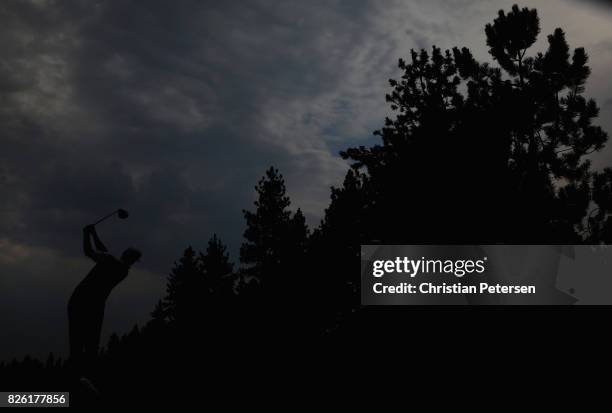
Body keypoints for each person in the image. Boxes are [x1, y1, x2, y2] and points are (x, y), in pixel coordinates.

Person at [68, 224, 142, 383]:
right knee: (91, 344)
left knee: (76, 339)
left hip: (79, 300)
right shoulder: (123, 271)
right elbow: (105, 252)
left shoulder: (110, 261)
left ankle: (75, 378)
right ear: (133, 261)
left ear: (125, 253)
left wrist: (85, 234)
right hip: (96, 306)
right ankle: (86, 378)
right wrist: (94, 234)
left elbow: (89, 252)